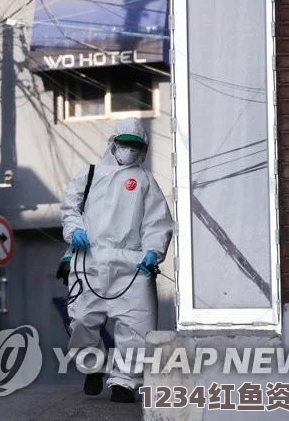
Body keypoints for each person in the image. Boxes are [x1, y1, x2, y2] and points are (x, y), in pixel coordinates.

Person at [60, 117, 173, 404]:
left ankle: (125, 381)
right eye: (125, 144)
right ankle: (92, 365)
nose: (130, 151)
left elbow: (157, 222)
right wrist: (75, 232)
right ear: (113, 144)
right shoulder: (88, 174)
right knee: (82, 320)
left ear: (143, 150)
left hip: (132, 264)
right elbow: (69, 208)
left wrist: (153, 252)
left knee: (136, 325)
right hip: (90, 259)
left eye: (136, 147)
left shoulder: (146, 181)